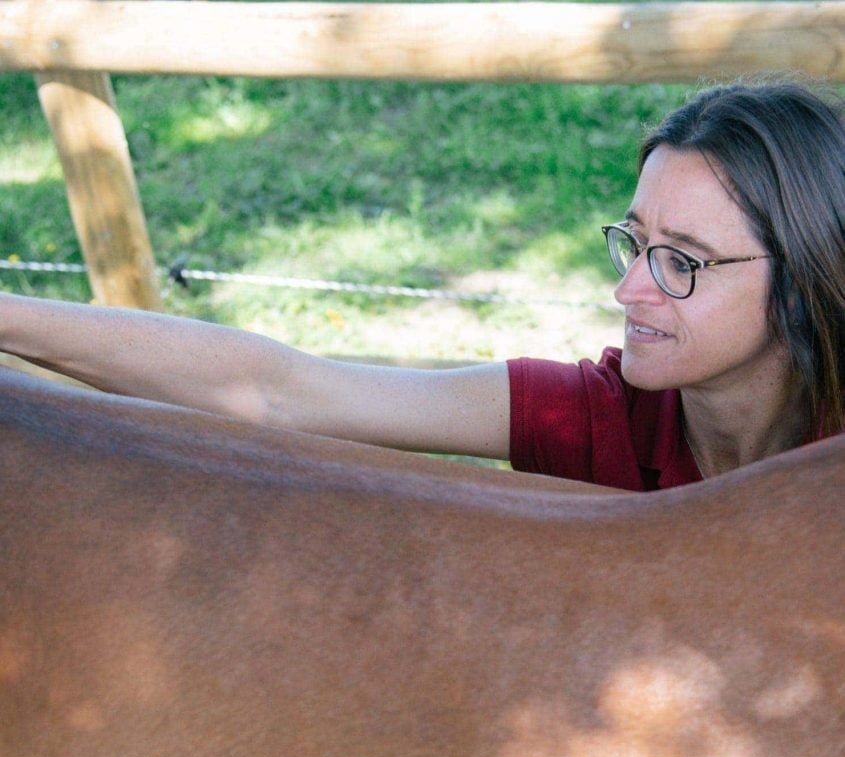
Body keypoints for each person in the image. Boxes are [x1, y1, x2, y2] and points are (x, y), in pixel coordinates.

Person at [1, 78, 843, 490]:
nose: (627, 291)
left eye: (682, 262)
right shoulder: (598, 416)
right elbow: (283, 390)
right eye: (634, 242)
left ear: (802, 280)